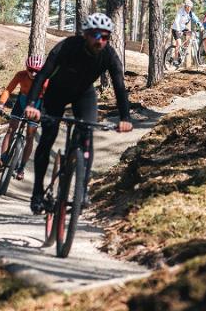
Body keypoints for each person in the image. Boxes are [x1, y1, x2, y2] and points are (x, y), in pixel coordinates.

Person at [24, 12, 133, 214]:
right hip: (56, 93)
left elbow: (119, 87)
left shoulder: (109, 55)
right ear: (85, 34)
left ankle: (82, 190)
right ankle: (38, 192)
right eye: (95, 35)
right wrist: (31, 104)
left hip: (84, 94)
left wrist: (125, 118)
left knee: (86, 136)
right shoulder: (67, 47)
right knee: (48, 137)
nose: (100, 40)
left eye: (105, 36)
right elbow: (42, 76)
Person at [0, 55, 47, 181]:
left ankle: (21, 168)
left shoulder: (45, 80)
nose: (33, 73)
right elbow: (8, 89)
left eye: (37, 71)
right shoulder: (21, 75)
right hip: (22, 102)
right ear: (26, 68)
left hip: (37, 105)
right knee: (11, 129)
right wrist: (1, 104)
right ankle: (3, 159)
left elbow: (50, 98)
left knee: (30, 136)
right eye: (30, 70)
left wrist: (45, 114)